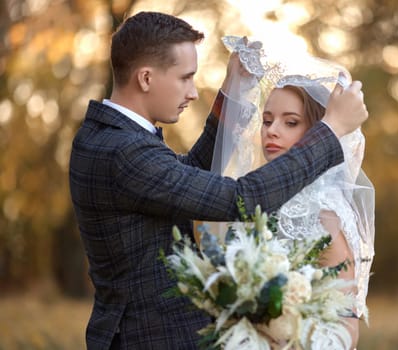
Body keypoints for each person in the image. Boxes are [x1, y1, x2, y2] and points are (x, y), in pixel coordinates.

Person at [68, 11, 368, 350]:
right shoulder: (124, 151)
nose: (194, 92)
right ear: (146, 78)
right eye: (185, 77)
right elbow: (238, 198)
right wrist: (330, 132)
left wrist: (232, 93)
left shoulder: (109, 138)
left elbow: (188, 179)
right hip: (152, 338)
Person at [211, 38, 375, 349]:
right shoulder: (260, 201)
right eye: (267, 120)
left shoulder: (323, 215)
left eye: (291, 122)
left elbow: (345, 330)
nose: (272, 131)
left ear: (317, 131)